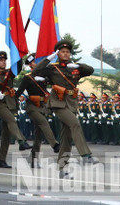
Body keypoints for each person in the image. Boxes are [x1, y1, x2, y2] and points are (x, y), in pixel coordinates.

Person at [33, 40, 99, 178]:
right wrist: (49, 58)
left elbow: (90, 70)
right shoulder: (52, 68)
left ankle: (62, 169)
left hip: (71, 103)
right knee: (75, 124)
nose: (65, 54)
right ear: (58, 53)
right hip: (58, 103)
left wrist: (77, 65)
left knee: (66, 138)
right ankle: (86, 155)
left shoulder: (73, 68)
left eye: (68, 52)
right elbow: (36, 70)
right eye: (62, 52)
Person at [0, 51, 32, 168]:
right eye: (0, 60)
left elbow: (18, 68)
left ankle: (2, 159)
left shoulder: (10, 73)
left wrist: (18, 54)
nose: (3, 62)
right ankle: (22, 141)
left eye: (4, 60)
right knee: (11, 120)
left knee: (6, 134)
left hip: (10, 104)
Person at [15, 54, 60, 168]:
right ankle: (54, 145)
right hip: (32, 107)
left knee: (38, 135)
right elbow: (19, 92)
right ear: (30, 64)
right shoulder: (27, 78)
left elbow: (54, 82)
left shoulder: (44, 76)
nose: (38, 63)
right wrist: (10, 104)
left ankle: (33, 159)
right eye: (35, 61)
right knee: (43, 122)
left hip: (42, 106)